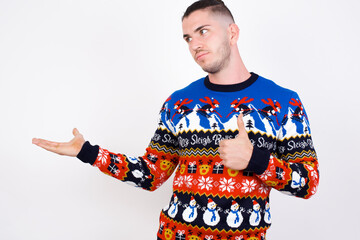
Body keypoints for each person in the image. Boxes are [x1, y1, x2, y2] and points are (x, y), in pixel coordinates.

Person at [32, 0, 319, 239]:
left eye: (203, 31)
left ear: (232, 32)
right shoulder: (179, 102)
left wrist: (256, 159)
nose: (195, 44)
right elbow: (151, 174)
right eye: (188, 38)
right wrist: (88, 152)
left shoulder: (283, 101)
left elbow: (309, 182)